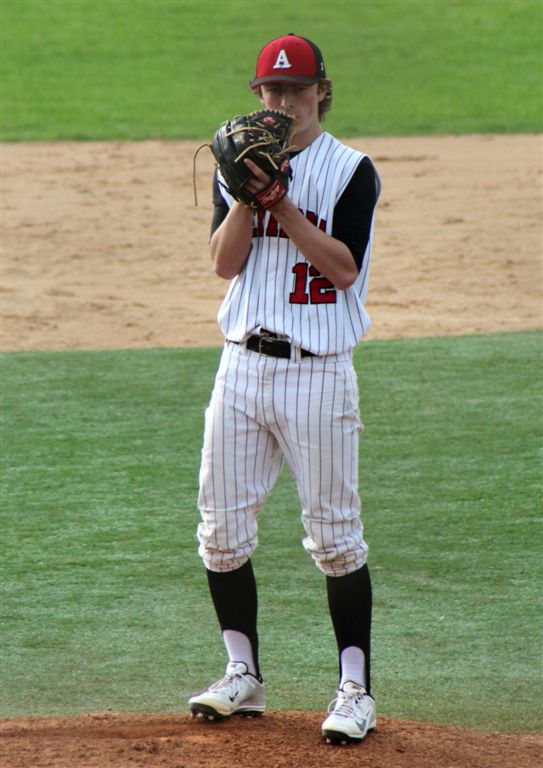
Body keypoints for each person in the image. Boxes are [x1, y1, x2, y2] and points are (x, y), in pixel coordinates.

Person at [189, 33, 381, 746]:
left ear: (321, 92)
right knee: (220, 533)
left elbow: (343, 269)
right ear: (257, 95)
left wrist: (283, 203)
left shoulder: (351, 171)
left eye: (296, 90)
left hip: (317, 371)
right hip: (240, 367)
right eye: (271, 91)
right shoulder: (235, 165)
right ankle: (242, 675)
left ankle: (355, 690)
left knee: (335, 539)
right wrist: (248, 195)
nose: (282, 102)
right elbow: (223, 264)